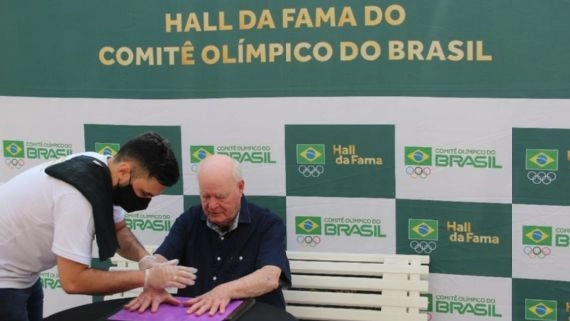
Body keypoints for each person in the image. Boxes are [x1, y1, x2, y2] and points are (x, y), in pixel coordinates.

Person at [0, 132, 196, 321]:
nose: (145, 202)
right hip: (5, 277)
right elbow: (73, 281)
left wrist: (145, 259)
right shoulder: (77, 199)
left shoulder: (101, 168)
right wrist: (146, 278)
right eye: (144, 193)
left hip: (24, 274)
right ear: (124, 171)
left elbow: (118, 230)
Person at [126, 154, 291, 316]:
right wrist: (153, 284)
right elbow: (161, 259)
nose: (212, 205)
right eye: (205, 196)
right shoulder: (189, 220)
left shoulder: (268, 223)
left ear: (240, 187)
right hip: (196, 315)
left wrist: (225, 291)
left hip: (253, 315)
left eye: (220, 197)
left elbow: (269, 277)